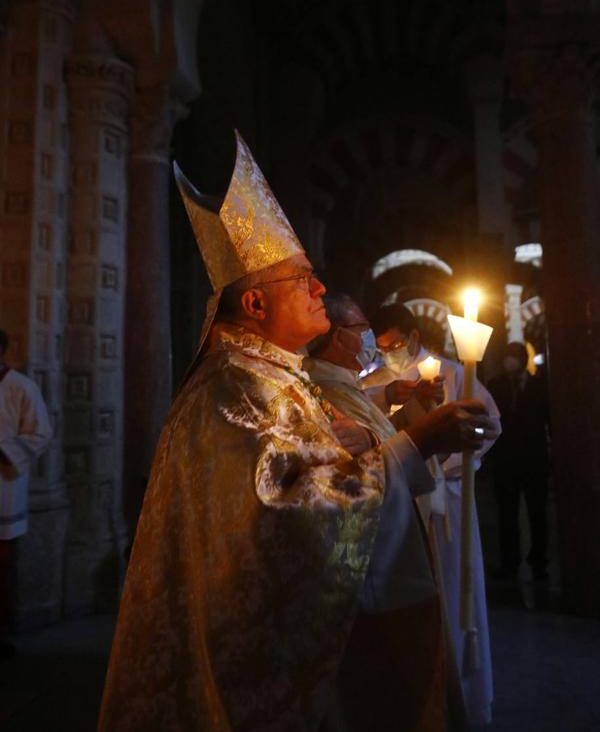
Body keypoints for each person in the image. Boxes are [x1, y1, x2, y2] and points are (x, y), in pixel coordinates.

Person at [98, 132, 497, 732]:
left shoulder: (273, 376)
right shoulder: (236, 388)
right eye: (302, 278)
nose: (319, 290)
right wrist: (418, 445)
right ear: (256, 305)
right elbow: (289, 515)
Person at [363, 303, 501, 728]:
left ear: (416, 335)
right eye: (382, 348)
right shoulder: (375, 381)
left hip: (451, 498)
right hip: (401, 502)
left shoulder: (457, 374)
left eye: (397, 345)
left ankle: (467, 692)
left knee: (459, 590)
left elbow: (490, 426)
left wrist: (447, 461)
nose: (390, 355)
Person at [0, 329, 53, 655]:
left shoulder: (21, 387)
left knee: (2, 565)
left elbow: (40, 433)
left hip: (4, 484)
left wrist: (4, 449)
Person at [487, 342, 550, 581]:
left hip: (534, 458)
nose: (509, 362)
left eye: (513, 357)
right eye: (507, 357)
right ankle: (509, 561)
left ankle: (539, 560)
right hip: (506, 460)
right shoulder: (496, 386)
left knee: (537, 513)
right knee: (507, 513)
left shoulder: (540, 386)